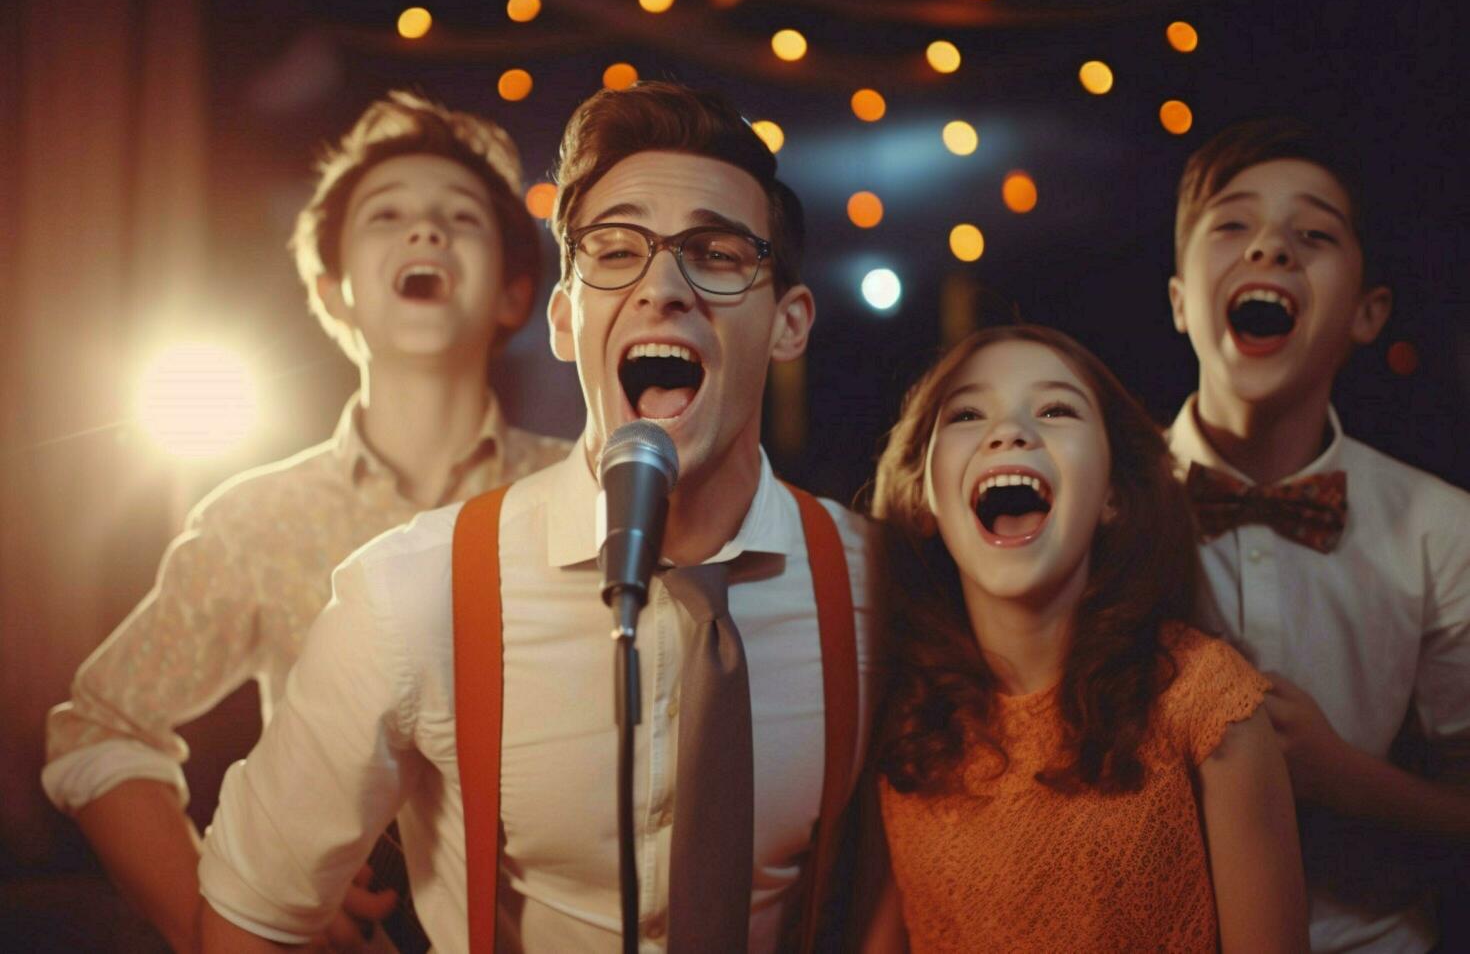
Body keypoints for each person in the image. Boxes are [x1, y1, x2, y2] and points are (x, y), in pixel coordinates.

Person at [195, 81, 879, 953]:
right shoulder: (413, 594)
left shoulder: (879, 587)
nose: (662, 286)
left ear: (788, 324)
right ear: (565, 318)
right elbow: (248, 918)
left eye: (714, 252)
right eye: (616, 249)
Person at [42, 91, 571, 952]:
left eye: (459, 218)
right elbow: (96, 729)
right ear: (334, 290)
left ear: (516, 294)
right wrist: (232, 918)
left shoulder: (575, 494)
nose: (425, 233)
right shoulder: (260, 518)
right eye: (388, 214)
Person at [868, 324, 1307, 952]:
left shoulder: (1207, 704)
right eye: (967, 413)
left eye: (1055, 409)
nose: (1011, 431)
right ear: (921, 497)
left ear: (1113, 496)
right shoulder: (904, 723)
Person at [1166, 117, 1470, 952]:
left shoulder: (1441, 528)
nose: (1270, 249)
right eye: (1233, 224)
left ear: (1368, 312)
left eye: (1313, 233)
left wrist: (1343, 778)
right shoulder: (1105, 504)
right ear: (1181, 300)